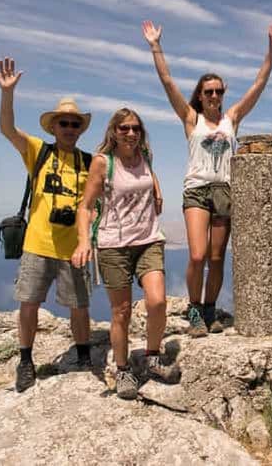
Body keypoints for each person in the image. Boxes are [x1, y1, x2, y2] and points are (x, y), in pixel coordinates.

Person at [142, 19, 272, 336]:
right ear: (200, 96)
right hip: (197, 190)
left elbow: (258, 85)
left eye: (218, 90)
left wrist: (270, 53)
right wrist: (155, 46)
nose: (214, 95)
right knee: (198, 254)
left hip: (226, 191)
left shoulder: (232, 119)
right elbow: (167, 82)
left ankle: (209, 309)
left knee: (217, 258)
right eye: (208, 91)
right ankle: (193, 309)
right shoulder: (192, 119)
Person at [0, 57, 93, 392]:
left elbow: (95, 205)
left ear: (80, 129)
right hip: (37, 244)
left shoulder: (88, 162)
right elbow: (7, 130)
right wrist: (8, 94)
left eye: (74, 124)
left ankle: (83, 357)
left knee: (80, 307)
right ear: (53, 127)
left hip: (73, 249)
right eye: (63, 123)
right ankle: (25, 361)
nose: (68, 128)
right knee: (29, 304)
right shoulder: (38, 151)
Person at [71, 108, 179, 400]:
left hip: (149, 240)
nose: (131, 133)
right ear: (113, 132)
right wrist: (83, 242)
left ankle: (152, 356)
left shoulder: (145, 153)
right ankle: (122, 370)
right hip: (113, 245)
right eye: (124, 129)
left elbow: (149, 174)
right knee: (121, 312)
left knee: (157, 301)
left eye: (135, 128)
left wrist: (157, 191)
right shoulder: (103, 163)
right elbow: (86, 206)